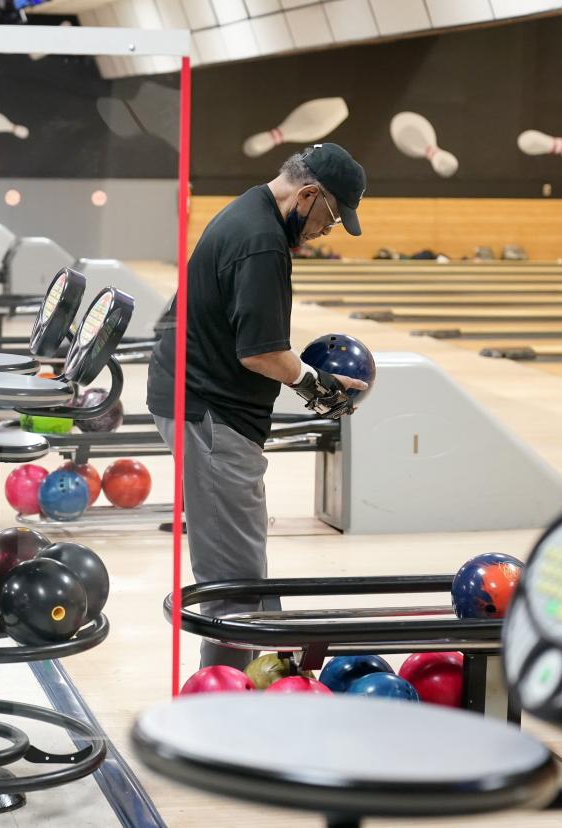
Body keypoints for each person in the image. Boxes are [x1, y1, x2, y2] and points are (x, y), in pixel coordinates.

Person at [146, 143, 370, 670]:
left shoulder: (248, 209)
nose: (325, 230)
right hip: (212, 414)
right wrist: (315, 384)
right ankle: (223, 704)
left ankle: (248, 676)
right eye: (331, 217)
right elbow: (262, 352)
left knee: (238, 556)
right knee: (235, 579)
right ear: (309, 194)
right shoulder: (262, 241)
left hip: (199, 403)